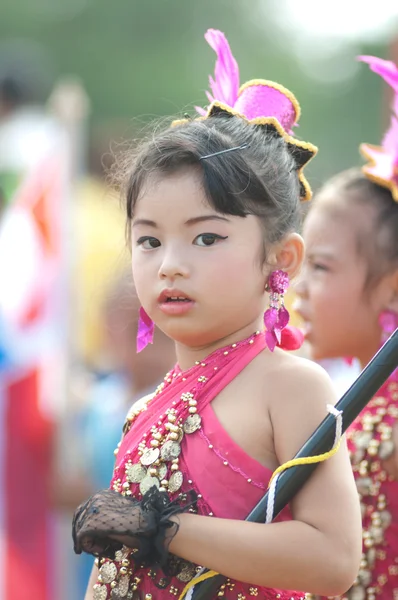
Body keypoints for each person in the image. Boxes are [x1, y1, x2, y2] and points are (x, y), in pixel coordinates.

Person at [72, 29, 362, 600]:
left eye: (206, 239)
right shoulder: (143, 408)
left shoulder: (289, 386)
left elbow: (333, 560)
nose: (170, 266)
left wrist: (166, 529)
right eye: (149, 241)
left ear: (281, 258)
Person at [295, 55, 398, 600]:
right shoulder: (357, 405)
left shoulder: (386, 425)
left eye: (322, 267)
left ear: (390, 285)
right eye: (301, 264)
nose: (299, 289)